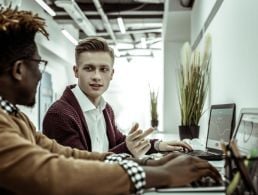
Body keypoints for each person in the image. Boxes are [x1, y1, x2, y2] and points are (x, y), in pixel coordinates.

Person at [0, 7, 221, 194]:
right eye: (38, 65)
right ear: (19, 70)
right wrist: (158, 173)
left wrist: (147, 161)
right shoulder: (46, 116)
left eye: (104, 69)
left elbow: (69, 154)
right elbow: (59, 172)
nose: (40, 74)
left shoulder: (17, 119)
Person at [42, 37, 192, 158]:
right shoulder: (59, 115)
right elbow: (80, 167)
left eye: (103, 69)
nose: (96, 76)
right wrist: (127, 148)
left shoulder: (106, 109)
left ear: (112, 74)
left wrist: (159, 145)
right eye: (89, 68)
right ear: (76, 71)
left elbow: (119, 142)